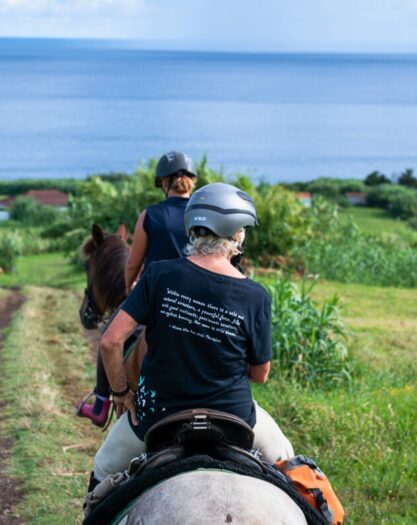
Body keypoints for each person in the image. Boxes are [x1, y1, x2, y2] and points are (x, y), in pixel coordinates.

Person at [89, 182, 293, 489]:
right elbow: (260, 374)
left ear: (194, 229)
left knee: (102, 467)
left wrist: (121, 393)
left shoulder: (157, 275)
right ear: (236, 234)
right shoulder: (256, 296)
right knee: (288, 464)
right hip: (233, 417)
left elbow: (110, 341)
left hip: (158, 415)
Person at [76, 151, 198, 426]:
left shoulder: (151, 215)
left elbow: (132, 264)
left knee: (110, 335)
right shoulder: (203, 214)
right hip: (198, 297)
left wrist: (132, 290)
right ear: (192, 181)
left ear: (163, 183)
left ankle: (101, 403)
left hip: (157, 296)